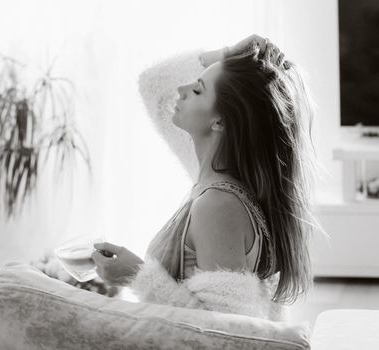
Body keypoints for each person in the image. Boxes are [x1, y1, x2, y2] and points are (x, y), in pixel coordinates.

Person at [91, 34, 319, 321]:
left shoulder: (219, 205)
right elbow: (153, 84)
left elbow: (224, 332)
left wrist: (137, 275)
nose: (181, 88)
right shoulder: (218, 172)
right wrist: (229, 54)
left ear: (220, 122)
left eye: (198, 90)